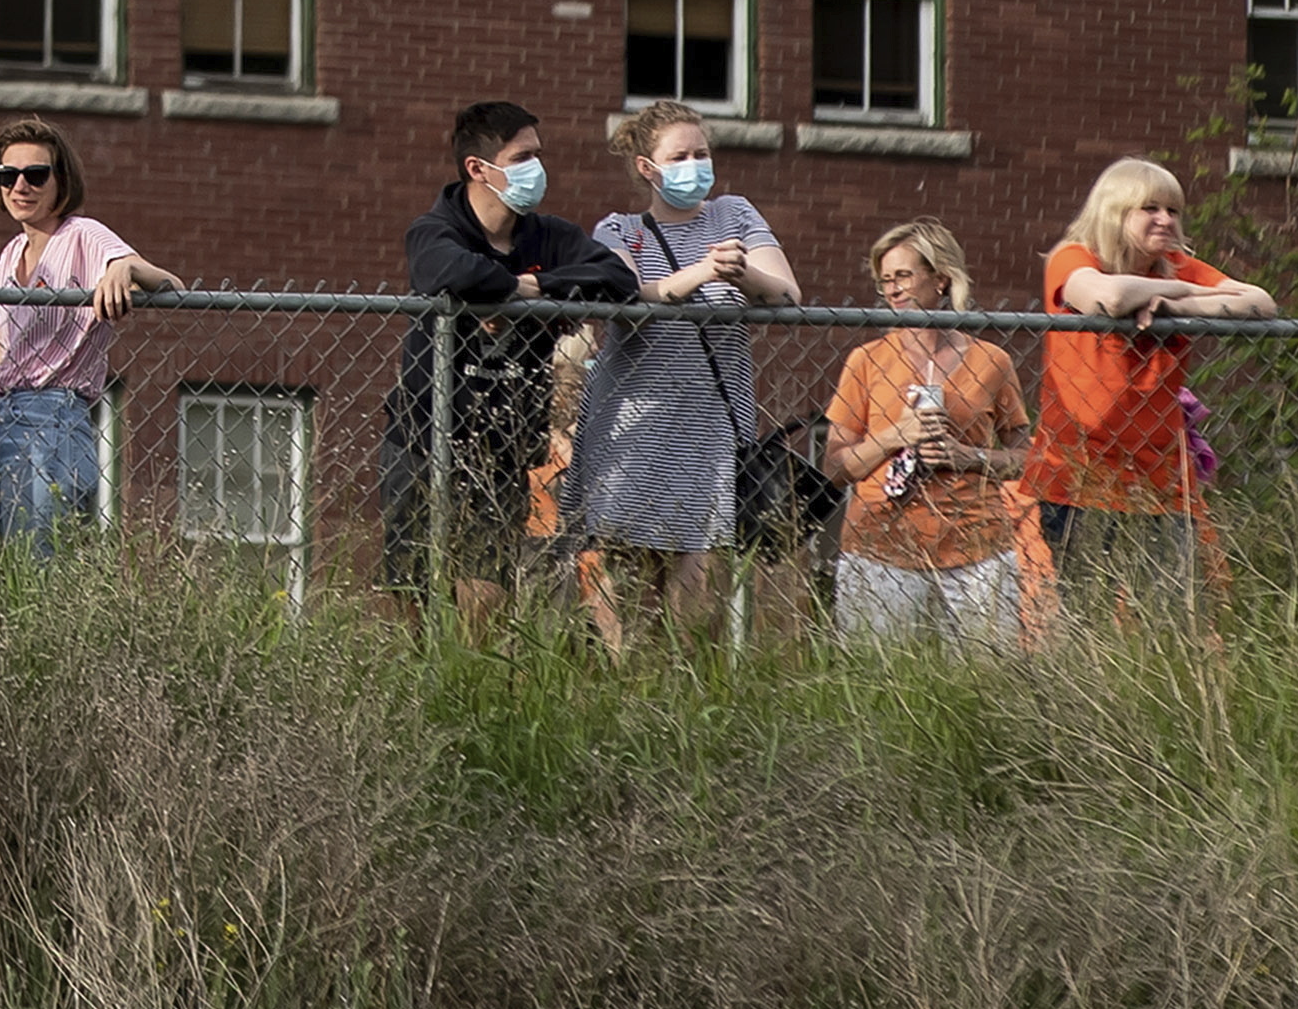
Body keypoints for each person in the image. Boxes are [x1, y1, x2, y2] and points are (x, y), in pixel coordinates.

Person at [381, 98, 629, 632]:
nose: (537, 170)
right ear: (479, 168)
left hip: (503, 445)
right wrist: (515, 290)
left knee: (486, 599)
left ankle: (474, 689)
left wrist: (534, 287)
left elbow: (615, 278)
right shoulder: (438, 227)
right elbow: (443, 269)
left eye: (538, 155)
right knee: (411, 596)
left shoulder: (550, 237)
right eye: (523, 157)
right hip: (425, 437)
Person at [567, 99, 803, 653]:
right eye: (680, 156)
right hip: (634, 430)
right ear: (648, 168)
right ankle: (631, 705)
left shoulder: (734, 215)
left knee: (696, 605)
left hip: (711, 432)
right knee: (630, 599)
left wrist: (743, 272)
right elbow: (628, 297)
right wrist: (701, 271)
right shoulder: (620, 230)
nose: (695, 164)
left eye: (702, 153)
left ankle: (687, 708)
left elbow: (788, 293)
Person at [1028, 156, 1275, 609]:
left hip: (1160, 475)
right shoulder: (1075, 257)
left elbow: (1261, 304)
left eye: (1174, 211)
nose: (1166, 220)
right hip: (1080, 472)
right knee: (1089, 614)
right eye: (1151, 209)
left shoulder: (1174, 265)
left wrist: (1171, 305)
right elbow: (1110, 298)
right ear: (1115, 211)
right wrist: (1192, 292)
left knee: (1171, 614)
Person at [0, 122, 178, 559]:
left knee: (36, 559)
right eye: (7, 175)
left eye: (36, 175)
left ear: (61, 181)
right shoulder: (9, 255)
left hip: (52, 416)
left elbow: (168, 280)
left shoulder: (83, 235)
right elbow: (2, 354)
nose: (21, 186)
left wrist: (124, 269)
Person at [819, 220, 1037, 649]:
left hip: (977, 546)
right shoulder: (867, 360)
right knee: (879, 682)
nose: (893, 289)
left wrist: (965, 456)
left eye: (904, 275)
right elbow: (834, 467)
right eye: (885, 281)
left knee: (987, 679)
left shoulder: (991, 361)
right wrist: (895, 435)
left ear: (941, 278)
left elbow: (1024, 456)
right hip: (881, 545)